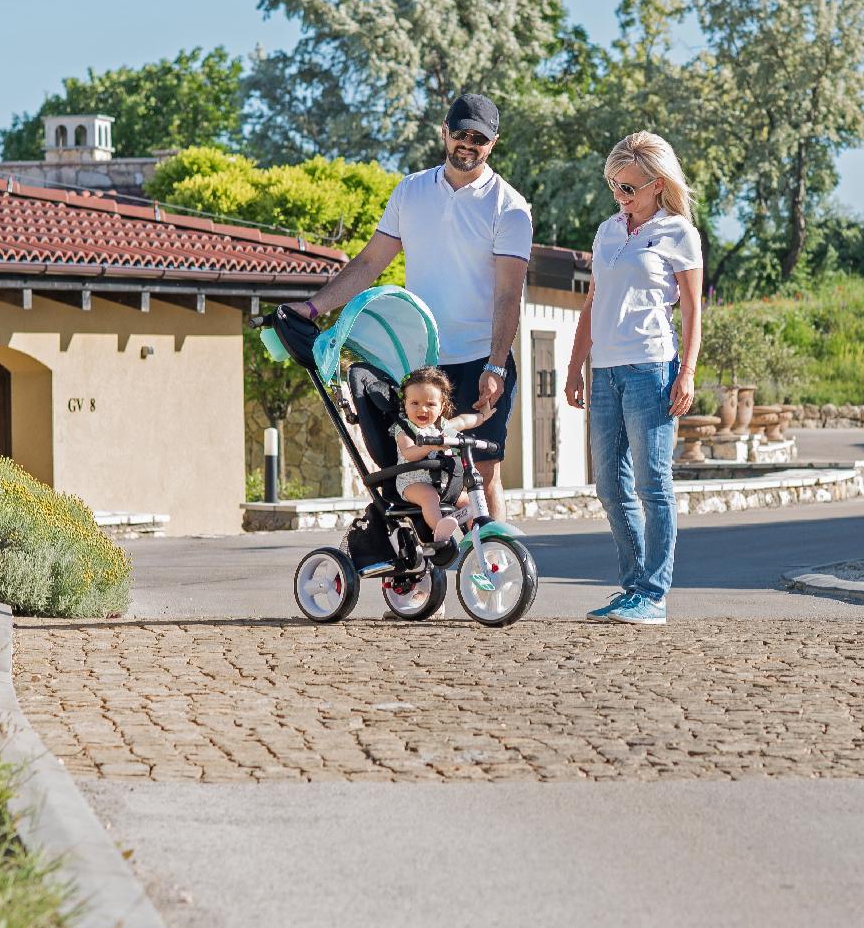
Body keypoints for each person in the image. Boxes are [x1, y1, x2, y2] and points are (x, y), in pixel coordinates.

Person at [297, 92, 532, 520]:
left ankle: (492, 573)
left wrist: (496, 365)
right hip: (423, 363)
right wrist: (312, 309)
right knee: (419, 472)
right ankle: (425, 574)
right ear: (445, 133)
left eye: (479, 138)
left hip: (481, 358)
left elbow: (507, 295)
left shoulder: (510, 208)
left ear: (493, 143)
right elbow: (369, 263)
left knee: (481, 471)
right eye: (460, 133)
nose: (468, 143)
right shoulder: (411, 191)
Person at [564, 132, 703, 626]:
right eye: (612, 185)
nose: (619, 195)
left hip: (651, 368)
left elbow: (690, 308)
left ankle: (654, 594)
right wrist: (575, 365)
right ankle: (632, 588)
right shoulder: (606, 231)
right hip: (605, 371)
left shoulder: (678, 233)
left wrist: (686, 372)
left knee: (652, 483)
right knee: (609, 484)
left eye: (628, 187)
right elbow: (592, 302)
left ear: (657, 183)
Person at [391, 366, 491, 543]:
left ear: (442, 406)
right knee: (430, 497)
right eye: (415, 403)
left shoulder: (440, 426)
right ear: (405, 404)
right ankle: (440, 531)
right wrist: (430, 446)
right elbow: (409, 452)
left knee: (469, 502)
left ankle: (477, 540)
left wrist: (482, 417)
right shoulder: (405, 429)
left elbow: (462, 421)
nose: (422, 409)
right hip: (412, 482)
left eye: (430, 404)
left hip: (444, 483)